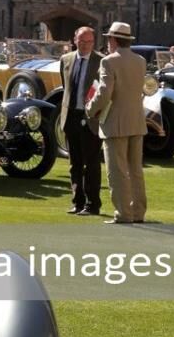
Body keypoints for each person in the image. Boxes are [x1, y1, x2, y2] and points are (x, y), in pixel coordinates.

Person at [86, 21, 147, 225]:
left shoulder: (109, 62)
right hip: (137, 122)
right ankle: (138, 212)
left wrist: (90, 108)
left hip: (115, 123)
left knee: (117, 171)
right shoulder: (140, 60)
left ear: (113, 40)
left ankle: (123, 214)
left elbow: (104, 93)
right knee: (135, 170)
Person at [59, 25, 103, 216]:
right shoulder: (66, 60)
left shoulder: (102, 62)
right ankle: (77, 202)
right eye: (81, 41)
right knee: (74, 162)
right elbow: (66, 87)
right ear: (74, 40)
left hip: (91, 118)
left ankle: (93, 204)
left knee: (91, 163)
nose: (85, 45)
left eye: (89, 42)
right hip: (71, 117)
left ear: (94, 42)